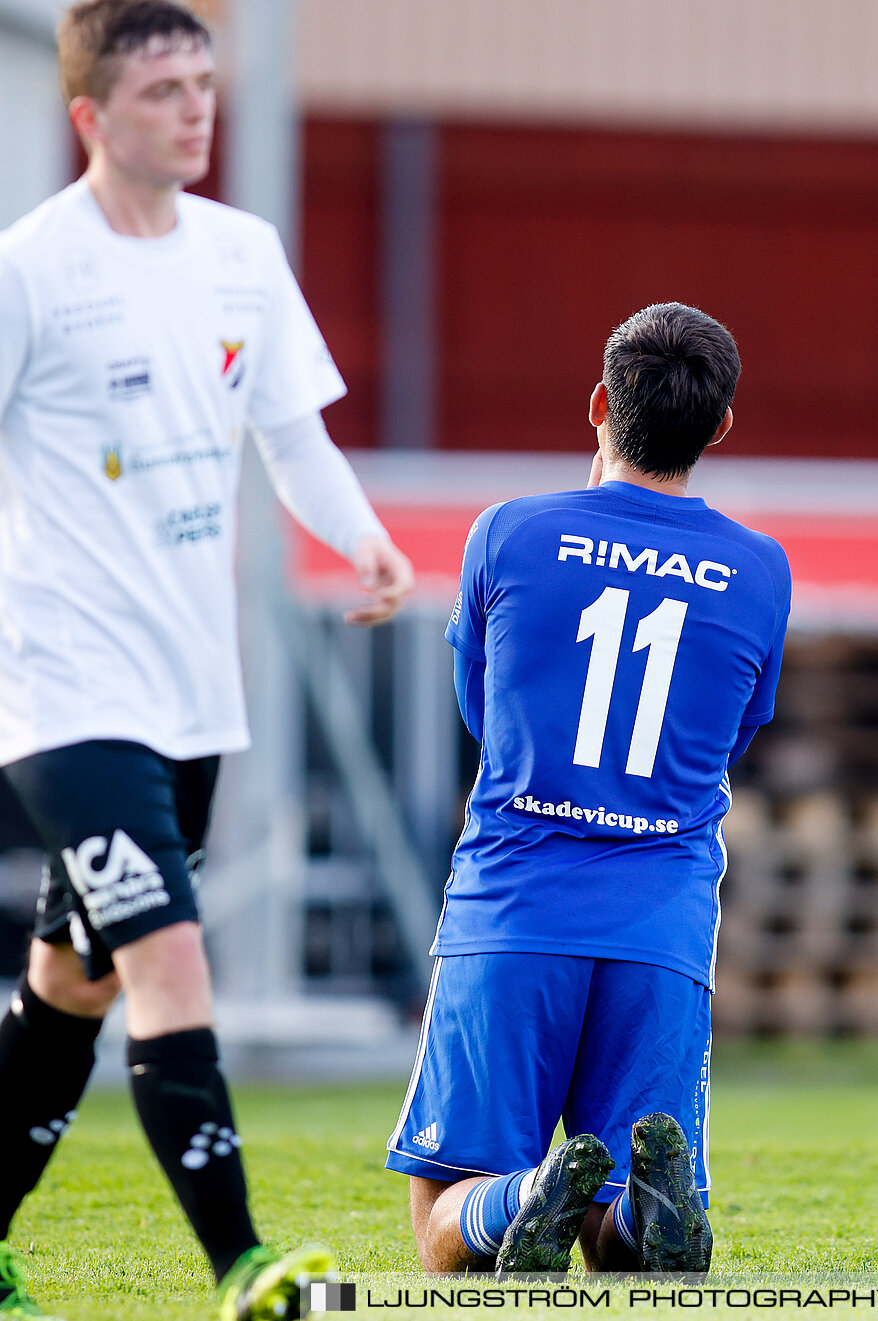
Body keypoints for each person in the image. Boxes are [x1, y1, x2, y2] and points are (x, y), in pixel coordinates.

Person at [0, 3, 416, 1317]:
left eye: (204, 83)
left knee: (72, 979)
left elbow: (288, 434)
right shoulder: (29, 271)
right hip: (64, 690)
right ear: (90, 117)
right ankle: (244, 1266)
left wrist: (364, 541)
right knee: (173, 956)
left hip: (192, 691)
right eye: (166, 89)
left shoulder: (243, 253)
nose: (197, 109)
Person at [386, 303, 790, 1277]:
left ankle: (525, 1196)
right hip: (662, 925)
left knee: (446, 1220)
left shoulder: (510, 533)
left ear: (603, 402)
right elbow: (733, 737)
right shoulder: (759, 569)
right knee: (622, 1235)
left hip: (515, 905)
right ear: (722, 427)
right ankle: (650, 1219)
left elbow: (482, 713)